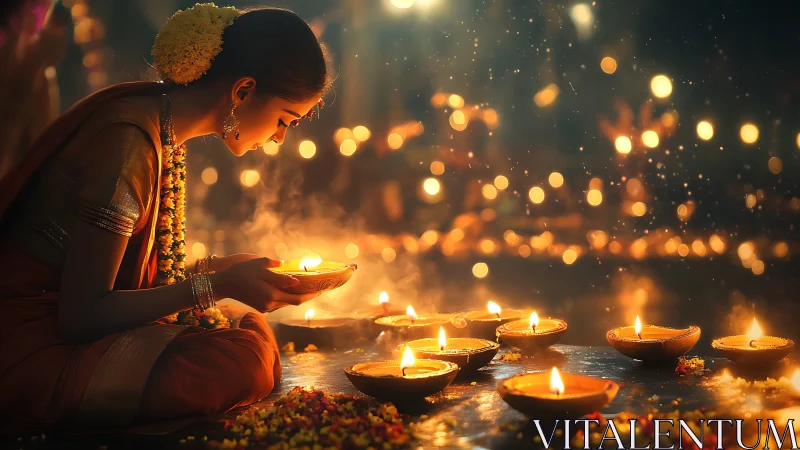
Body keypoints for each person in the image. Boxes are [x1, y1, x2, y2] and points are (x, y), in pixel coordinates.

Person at [0, 4, 330, 429]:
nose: (281, 137)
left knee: (246, 333)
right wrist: (217, 284)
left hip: (65, 323)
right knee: (238, 360)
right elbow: (81, 316)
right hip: (27, 341)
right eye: (286, 120)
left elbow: (127, 278)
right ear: (243, 90)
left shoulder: (163, 126)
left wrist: (215, 269)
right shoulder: (130, 142)